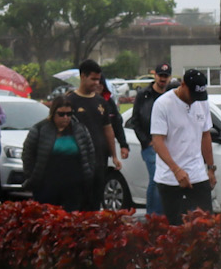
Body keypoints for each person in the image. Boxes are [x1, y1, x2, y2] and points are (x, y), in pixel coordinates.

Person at [150, 68, 216, 223]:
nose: (195, 100)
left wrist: (211, 168)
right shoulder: (163, 104)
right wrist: (176, 170)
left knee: (207, 222)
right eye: (192, 94)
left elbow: (205, 135)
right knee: (175, 226)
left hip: (197, 173)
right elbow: (157, 141)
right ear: (183, 84)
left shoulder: (202, 102)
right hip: (170, 176)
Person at [65, 59, 129, 212]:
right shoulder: (70, 101)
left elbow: (108, 129)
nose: (96, 83)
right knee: (78, 203)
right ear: (83, 77)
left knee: (95, 202)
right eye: (93, 79)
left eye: (98, 79)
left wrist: (114, 155)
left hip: (99, 159)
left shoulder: (101, 102)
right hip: (77, 161)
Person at [23, 90, 98, 210]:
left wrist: (89, 173)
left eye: (69, 114)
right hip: (47, 184)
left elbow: (90, 153)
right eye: (61, 114)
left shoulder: (80, 129)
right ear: (53, 113)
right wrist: (31, 176)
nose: (66, 117)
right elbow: (28, 154)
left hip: (74, 184)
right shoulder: (40, 129)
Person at [128, 61, 175, 216]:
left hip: (169, 145)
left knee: (167, 180)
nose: (163, 79)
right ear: (155, 75)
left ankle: (166, 215)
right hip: (150, 146)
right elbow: (135, 121)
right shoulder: (144, 95)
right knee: (156, 179)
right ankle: (154, 216)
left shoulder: (172, 95)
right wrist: (147, 141)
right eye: (160, 76)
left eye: (166, 76)